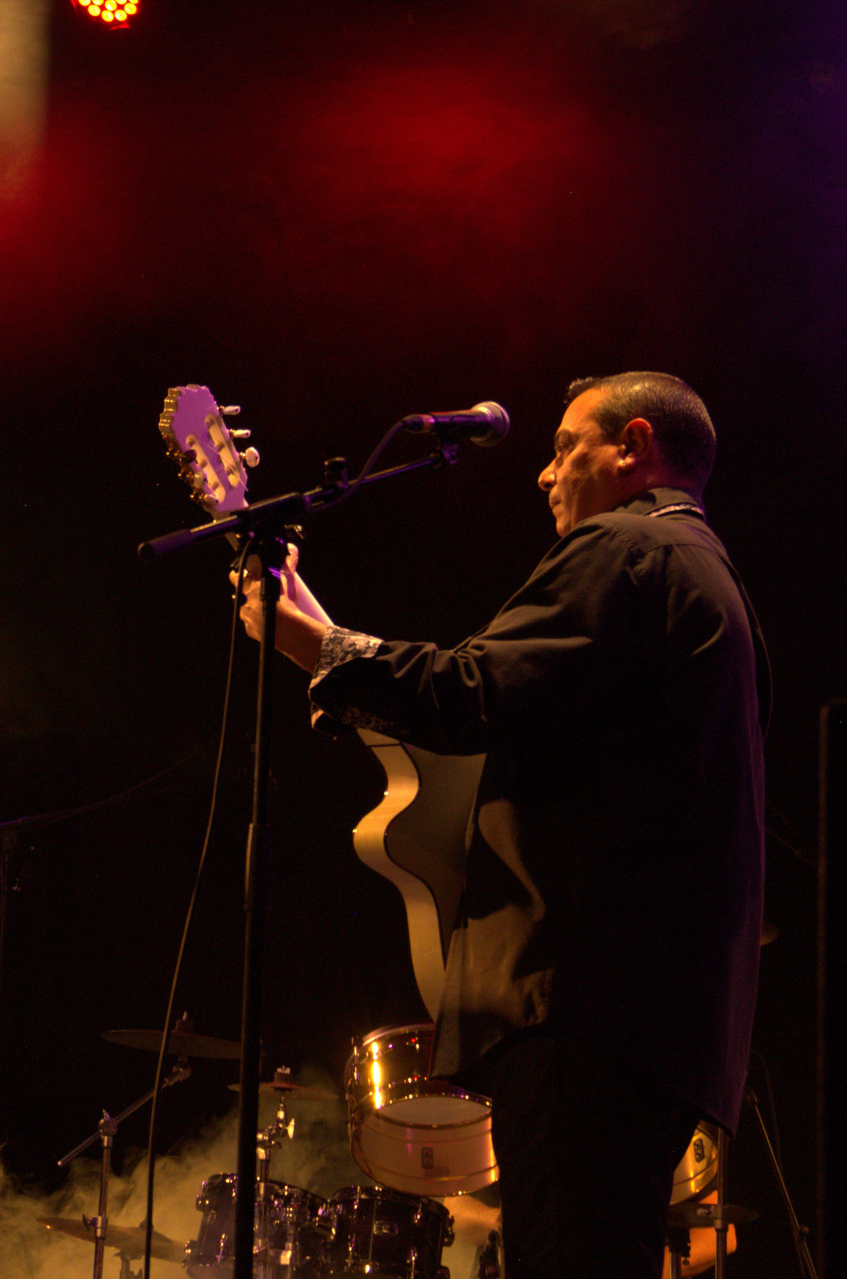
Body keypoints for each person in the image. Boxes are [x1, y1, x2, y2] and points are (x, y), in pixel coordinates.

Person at [238, 373, 767, 1278]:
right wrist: (329, 641)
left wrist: (303, 643)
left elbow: (470, 693)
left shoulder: (625, 548)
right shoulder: (704, 575)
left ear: (633, 446)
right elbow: (521, 713)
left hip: (583, 1008)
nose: (544, 473)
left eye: (566, 446)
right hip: (654, 1022)